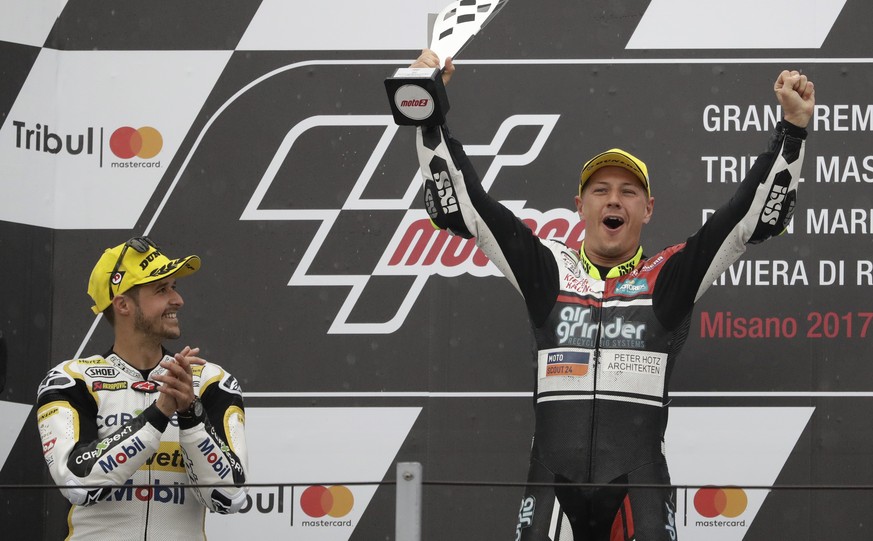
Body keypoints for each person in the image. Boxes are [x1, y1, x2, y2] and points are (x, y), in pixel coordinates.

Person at [410, 50, 814, 540]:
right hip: (550, 486)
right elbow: (468, 207)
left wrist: (792, 130)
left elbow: (749, 217)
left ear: (648, 208)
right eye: (600, 190)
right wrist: (428, 114)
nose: (614, 200)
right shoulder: (547, 270)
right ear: (580, 206)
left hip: (637, 488)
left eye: (628, 191)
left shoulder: (669, 276)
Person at [36, 237, 249, 539]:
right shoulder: (71, 380)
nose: (178, 300)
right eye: (162, 290)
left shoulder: (212, 382)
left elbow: (230, 498)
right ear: (123, 304)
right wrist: (160, 413)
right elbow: (79, 485)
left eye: (174, 287)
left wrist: (191, 414)